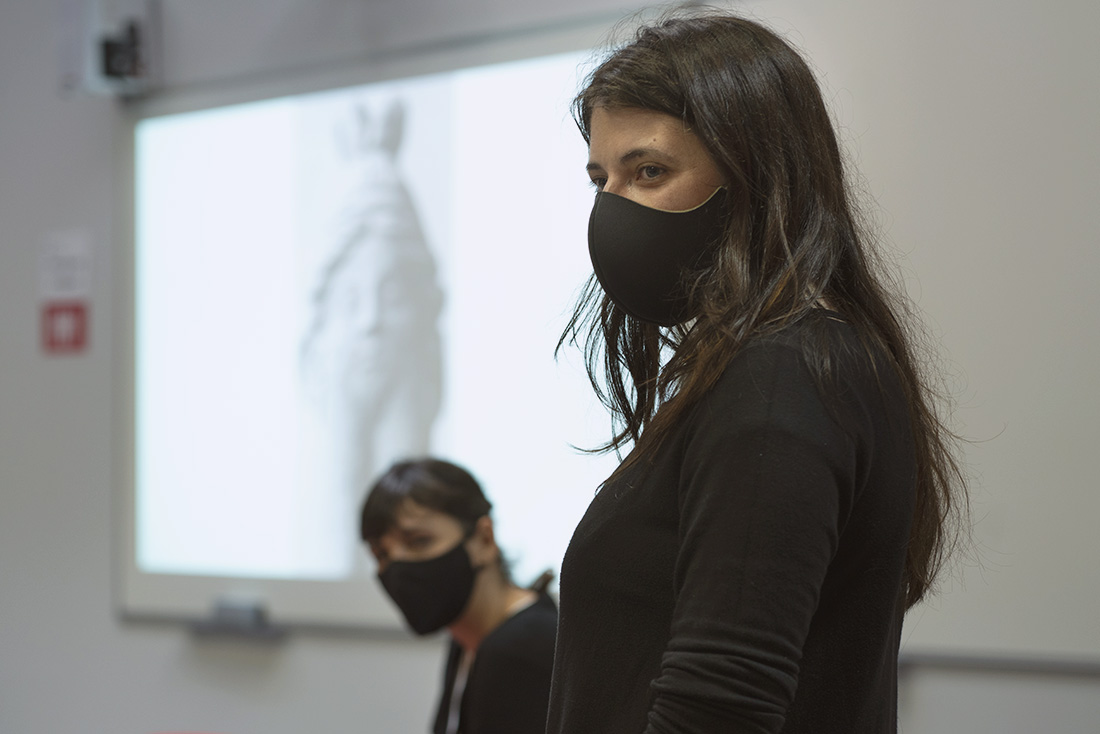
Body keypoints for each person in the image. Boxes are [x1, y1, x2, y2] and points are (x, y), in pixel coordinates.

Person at [547, 10, 967, 734]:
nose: (613, 209)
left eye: (649, 171)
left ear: (757, 172)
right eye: (601, 180)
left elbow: (719, 710)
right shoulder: (792, 365)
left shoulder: (782, 378)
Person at [360, 458, 557, 734]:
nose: (397, 565)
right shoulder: (466, 641)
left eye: (419, 541)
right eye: (381, 554)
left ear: (484, 539)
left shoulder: (523, 649)